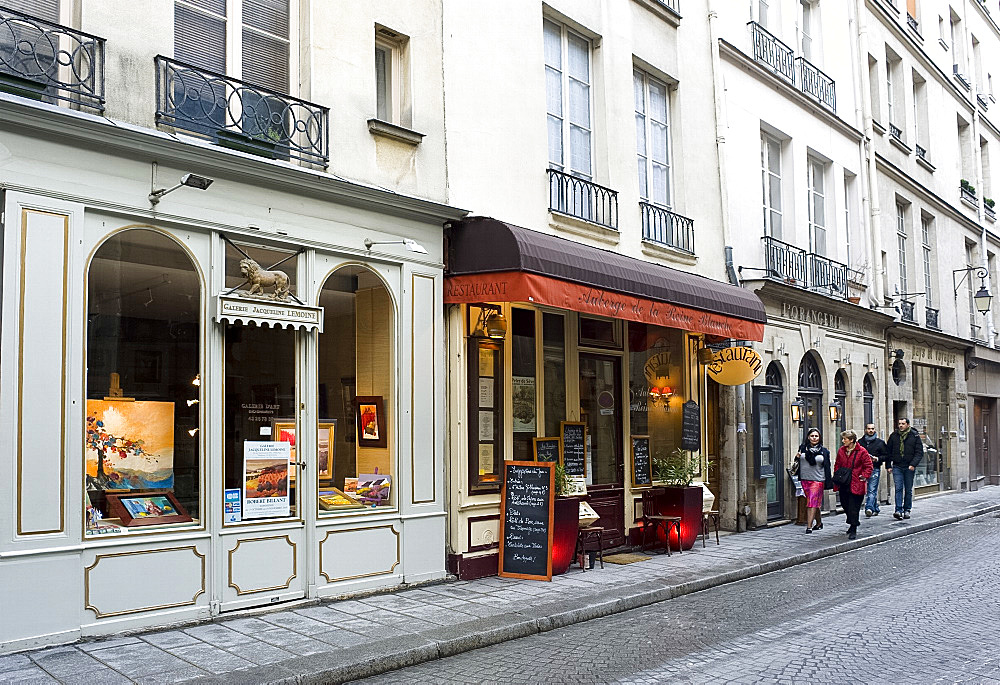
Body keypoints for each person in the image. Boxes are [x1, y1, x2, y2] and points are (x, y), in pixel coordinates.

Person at [833, 430, 873, 540]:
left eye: (845, 439)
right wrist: (837, 476)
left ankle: (853, 527)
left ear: (851, 440)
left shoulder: (861, 451)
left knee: (854, 506)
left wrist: (864, 476)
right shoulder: (841, 450)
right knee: (845, 505)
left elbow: (868, 466)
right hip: (844, 482)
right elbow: (837, 464)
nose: (843, 441)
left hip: (856, 482)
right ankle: (852, 522)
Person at [885, 417, 924, 519]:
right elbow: (888, 451)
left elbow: (919, 452)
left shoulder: (914, 436)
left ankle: (907, 509)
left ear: (907, 425)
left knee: (908, 489)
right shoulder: (894, 436)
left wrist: (913, 464)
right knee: (898, 488)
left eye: (903, 423)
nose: (901, 425)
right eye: (899, 423)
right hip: (897, 466)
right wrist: (888, 465)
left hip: (909, 466)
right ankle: (898, 510)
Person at [796, 428, 831, 534]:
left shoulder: (824, 451)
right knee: (813, 502)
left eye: (816, 436)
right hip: (805, 479)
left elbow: (827, 467)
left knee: (811, 502)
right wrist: (797, 457)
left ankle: (809, 526)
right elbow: (798, 462)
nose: (814, 438)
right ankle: (819, 523)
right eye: (812, 436)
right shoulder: (802, 448)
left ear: (819, 438)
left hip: (818, 480)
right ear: (808, 437)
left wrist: (829, 481)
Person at [858, 423, 889, 518]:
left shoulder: (880, 443)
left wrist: (878, 459)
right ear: (865, 430)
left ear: (875, 430)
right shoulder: (860, 442)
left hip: (875, 468)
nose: (870, 430)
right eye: (868, 429)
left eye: (872, 429)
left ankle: (869, 508)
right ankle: (875, 508)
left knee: (871, 489)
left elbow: (886, 456)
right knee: (869, 490)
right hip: (862, 469)